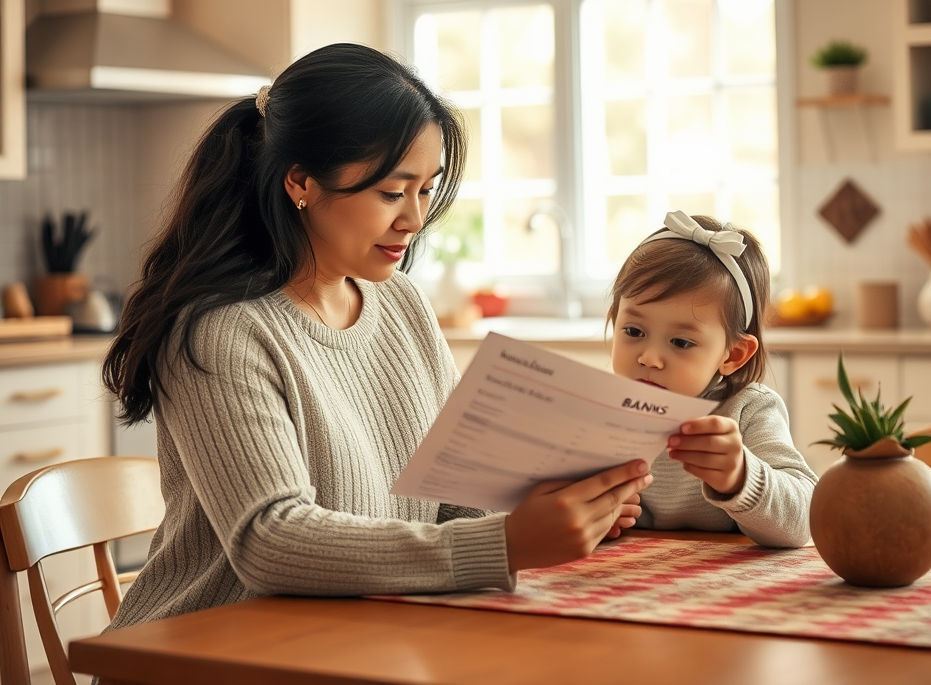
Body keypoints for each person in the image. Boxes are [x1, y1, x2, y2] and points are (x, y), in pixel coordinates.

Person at [102, 43, 651, 630]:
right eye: (392, 192)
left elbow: (454, 496)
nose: (415, 219)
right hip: (214, 649)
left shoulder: (402, 304)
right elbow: (270, 541)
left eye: (427, 189)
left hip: (363, 633)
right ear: (301, 183)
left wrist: (553, 503)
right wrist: (506, 544)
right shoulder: (221, 332)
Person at [607, 210, 817, 547]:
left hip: (726, 588)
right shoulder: (597, 407)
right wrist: (593, 516)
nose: (648, 357)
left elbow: (805, 522)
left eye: (681, 342)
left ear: (732, 355)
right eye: (633, 331)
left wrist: (741, 477)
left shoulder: (748, 410)